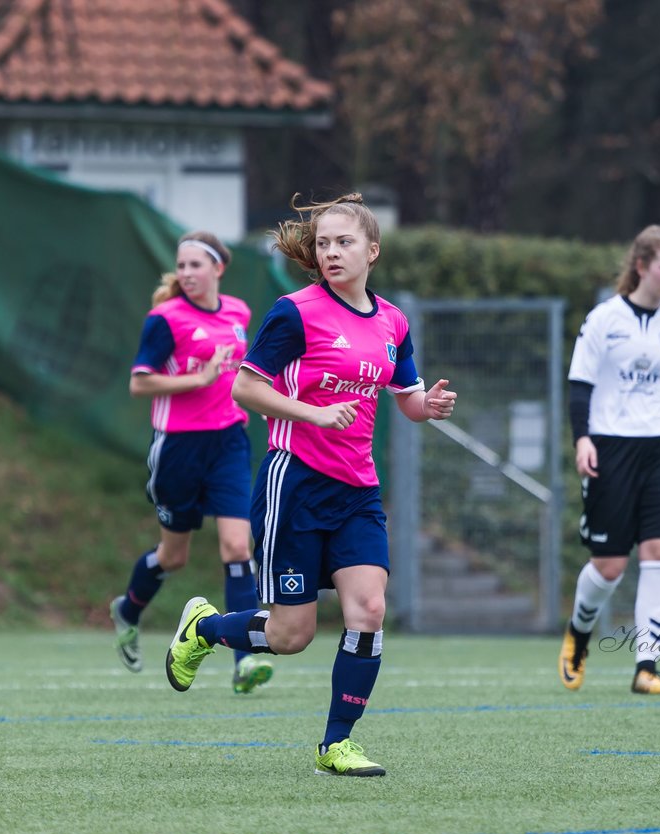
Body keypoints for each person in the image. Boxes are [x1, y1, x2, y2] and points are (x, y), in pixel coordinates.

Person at [161, 193, 457, 777]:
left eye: (343, 242)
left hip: (358, 494)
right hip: (293, 483)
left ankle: (337, 743)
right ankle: (204, 628)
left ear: (373, 250)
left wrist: (431, 405)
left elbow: (408, 400)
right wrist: (314, 413)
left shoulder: (393, 321)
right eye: (323, 243)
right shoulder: (295, 312)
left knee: (368, 610)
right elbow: (246, 388)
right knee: (291, 635)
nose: (331, 252)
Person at [109, 230, 274, 696]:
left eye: (195, 266)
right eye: (180, 266)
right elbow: (140, 383)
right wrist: (197, 378)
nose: (186, 274)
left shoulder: (239, 312)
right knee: (174, 556)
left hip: (228, 443)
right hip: (178, 448)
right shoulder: (164, 319)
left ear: (218, 269)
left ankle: (244, 663)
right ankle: (129, 610)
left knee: (238, 547)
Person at [559, 225, 660, 696]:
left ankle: (647, 666)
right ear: (642, 266)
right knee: (610, 565)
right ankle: (578, 634)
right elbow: (580, 386)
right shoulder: (603, 320)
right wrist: (583, 440)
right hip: (611, 446)